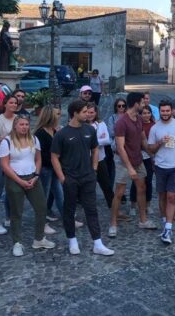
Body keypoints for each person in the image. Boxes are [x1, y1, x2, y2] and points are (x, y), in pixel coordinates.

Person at [50, 100, 114, 256]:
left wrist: (94, 169)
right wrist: (62, 178)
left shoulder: (90, 130)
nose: (88, 114)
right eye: (84, 112)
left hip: (88, 177)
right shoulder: (62, 134)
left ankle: (97, 243)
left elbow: (95, 148)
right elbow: (54, 157)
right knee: (69, 210)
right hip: (70, 178)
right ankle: (72, 241)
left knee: (91, 209)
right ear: (75, 113)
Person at [0, 115, 55, 257]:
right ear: (15, 126)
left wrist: (36, 176)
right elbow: (4, 165)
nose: (24, 127)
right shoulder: (7, 142)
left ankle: (39, 238)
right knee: (16, 212)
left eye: (26, 124)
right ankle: (17, 242)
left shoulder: (34, 139)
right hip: (14, 179)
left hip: (32, 177)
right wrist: (19, 181)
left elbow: (38, 159)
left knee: (41, 207)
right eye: (21, 124)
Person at [110, 93, 157, 235]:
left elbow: (143, 140)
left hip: (138, 159)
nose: (144, 105)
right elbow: (120, 147)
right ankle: (113, 224)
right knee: (119, 192)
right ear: (136, 103)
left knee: (141, 188)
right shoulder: (121, 122)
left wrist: (151, 155)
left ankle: (143, 220)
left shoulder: (139, 119)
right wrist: (130, 168)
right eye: (142, 102)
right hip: (123, 162)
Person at [147, 100, 175, 245]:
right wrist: (160, 142)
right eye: (163, 111)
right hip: (160, 166)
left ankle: (168, 229)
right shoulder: (155, 128)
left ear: (171, 111)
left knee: (171, 196)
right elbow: (150, 149)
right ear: (159, 111)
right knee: (162, 196)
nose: (165, 113)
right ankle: (165, 222)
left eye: (167, 110)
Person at [0, 94, 18, 234]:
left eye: (15, 103)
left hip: (14, 158)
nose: (14, 105)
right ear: (5, 104)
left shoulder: (17, 119)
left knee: (11, 190)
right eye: (11, 102)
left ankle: (9, 217)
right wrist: (6, 138)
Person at [34, 105, 65, 235]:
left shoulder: (54, 131)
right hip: (45, 169)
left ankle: (67, 218)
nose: (59, 117)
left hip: (55, 167)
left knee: (59, 193)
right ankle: (43, 223)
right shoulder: (40, 133)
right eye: (56, 115)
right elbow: (41, 154)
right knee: (43, 196)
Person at [86, 103, 114, 209]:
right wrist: (99, 140)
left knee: (106, 184)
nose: (90, 114)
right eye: (88, 112)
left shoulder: (101, 124)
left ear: (96, 113)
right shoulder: (82, 125)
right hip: (86, 159)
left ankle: (113, 206)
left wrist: (92, 142)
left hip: (100, 159)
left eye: (92, 112)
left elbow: (107, 140)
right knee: (88, 185)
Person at [130, 105, 156, 216]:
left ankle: (147, 204)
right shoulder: (137, 124)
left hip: (150, 157)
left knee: (148, 181)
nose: (146, 115)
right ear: (140, 115)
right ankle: (133, 205)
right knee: (136, 181)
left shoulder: (154, 125)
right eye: (144, 113)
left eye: (148, 113)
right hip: (138, 155)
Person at [106, 97, 127, 189]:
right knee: (118, 170)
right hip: (117, 147)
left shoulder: (128, 116)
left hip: (128, 146)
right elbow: (111, 132)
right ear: (116, 107)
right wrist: (124, 132)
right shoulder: (112, 118)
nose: (121, 107)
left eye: (123, 105)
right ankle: (115, 191)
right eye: (119, 106)